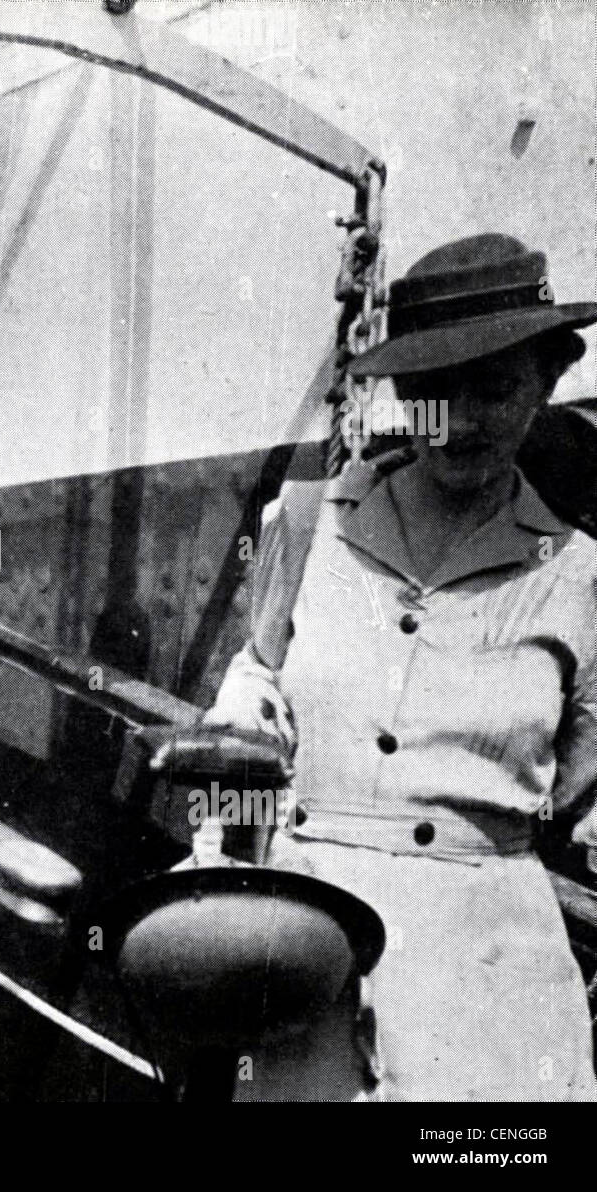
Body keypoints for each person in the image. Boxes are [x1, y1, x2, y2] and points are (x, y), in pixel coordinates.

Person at [203, 234, 597, 1101]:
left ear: (548, 383)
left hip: (488, 992)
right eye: (426, 393)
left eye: (494, 391)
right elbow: (254, 688)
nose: (456, 421)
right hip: (309, 960)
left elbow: (575, 791)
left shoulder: (579, 581)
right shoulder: (306, 525)